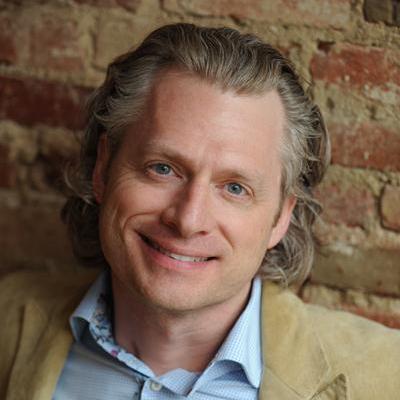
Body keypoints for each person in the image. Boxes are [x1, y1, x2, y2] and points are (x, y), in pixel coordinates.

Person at [1, 23, 400, 400]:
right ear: (103, 169)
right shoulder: (8, 319)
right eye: (162, 169)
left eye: (235, 188)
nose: (188, 220)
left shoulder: (387, 377)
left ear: (281, 216)